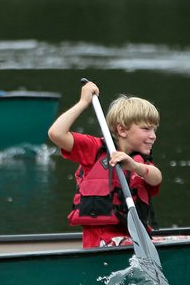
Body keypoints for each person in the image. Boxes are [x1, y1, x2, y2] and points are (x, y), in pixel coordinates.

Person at [47, 81, 162, 248]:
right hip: (101, 244)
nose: (153, 136)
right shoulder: (94, 149)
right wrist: (83, 103)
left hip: (135, 240)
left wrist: (135, 167)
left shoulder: (140, 161)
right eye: (146, 129)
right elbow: (56, 133)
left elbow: (156, 178)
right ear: (122, 130)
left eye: (154, 130)